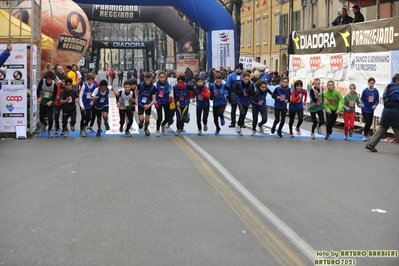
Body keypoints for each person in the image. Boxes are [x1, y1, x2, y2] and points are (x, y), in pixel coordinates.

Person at [366, 74, 399, 152]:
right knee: (397, 128)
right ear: (397, 80)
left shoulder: (389, 87)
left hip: (386, 111)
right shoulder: (397, 89)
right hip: (394, 112)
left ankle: (371, 144)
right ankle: (371, 144)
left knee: (382, 128)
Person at [37, 71, 58, 138]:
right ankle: (45, 124)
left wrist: (52, 101)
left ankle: (50, 130)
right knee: (41, 118)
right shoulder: (42, 82)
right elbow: (38, 90)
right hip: (43, 101)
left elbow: (55, 95)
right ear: (45, 78)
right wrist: (39, 97)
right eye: (47, 79)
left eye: (50, 80)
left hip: (50, 102)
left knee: (50, 117)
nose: (49, 81)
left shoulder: (54, 85)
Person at [154, 72, 173, 137]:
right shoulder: (155, 85)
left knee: (168, 118)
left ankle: (163, 124)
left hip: (166, 101)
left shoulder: (169, 83)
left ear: (166, 78)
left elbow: (171, 90)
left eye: (163, 77)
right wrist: (155, 102)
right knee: (159, 117)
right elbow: (153, 95)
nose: (162, 79)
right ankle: (157, 130)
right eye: (160, 77)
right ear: (158, 78)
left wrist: (171, 97)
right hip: (159, 102)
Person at [235, 72, 254, 136]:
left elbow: (253, 93)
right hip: (240, 100)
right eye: (245, 79)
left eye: (247, 79)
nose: (246, 81)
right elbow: (235, 91)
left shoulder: (251, 85)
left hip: (247, 101)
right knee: (242, 113)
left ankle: (239, 127)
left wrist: (250, 91)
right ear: (242, 78)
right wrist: (240, 92)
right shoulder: (239, 84)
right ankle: (238, 126)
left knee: (244, 115)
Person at [225, 63, 244, 128]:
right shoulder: (231, 76)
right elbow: (227, 85)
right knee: (233, 109)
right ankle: (233, 122)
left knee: (242, 109)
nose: (239, 70)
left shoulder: (244, 76)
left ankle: (242, 122)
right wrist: (227, 94)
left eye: (240, 68)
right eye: (238, 68)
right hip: (233, 93)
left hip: (241, 94)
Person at [361, 77, 379, 141]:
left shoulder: (376, 91)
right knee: (367, 122)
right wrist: (362, 104)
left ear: (374, 84)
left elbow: (377, 100)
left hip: (371, 109)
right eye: (370, 83)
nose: (371, 84)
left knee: (370, 123)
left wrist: (375, 105)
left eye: (373, 83)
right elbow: (362, 99)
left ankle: (366, 132)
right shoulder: (365, 91)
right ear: (368, 83)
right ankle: (365, 135)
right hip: (365, 109)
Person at [78, 72, 96, 137]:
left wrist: (93, 101)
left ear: (93, 80)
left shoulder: (94, 86)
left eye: (91, 80)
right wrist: (82, 105)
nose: (90, 81)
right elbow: (80, 96)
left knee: (89, 117)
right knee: (83, 117)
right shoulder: (84, 86)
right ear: (87, 80)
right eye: (89, 80)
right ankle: (81, 130)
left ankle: (85, 125)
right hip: (82, 103)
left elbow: (94, 95)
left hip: (89, 103)